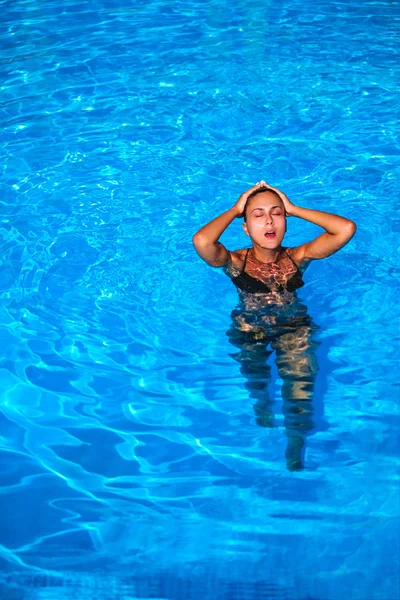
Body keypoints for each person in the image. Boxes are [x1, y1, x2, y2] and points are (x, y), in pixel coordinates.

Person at [192, 181, 356, 471]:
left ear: (285, 222)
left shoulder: (298, 257)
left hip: (294, 328)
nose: (268, 220)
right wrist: (234, 209)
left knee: (301, 390)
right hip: (248, 331)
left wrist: (293, 208)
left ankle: (295, 442)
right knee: (256, 381)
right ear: (245, 227)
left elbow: (345, 229)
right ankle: (261, 405)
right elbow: (202, 241)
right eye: (257, 214)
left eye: (276, 213)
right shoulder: (234, 261)